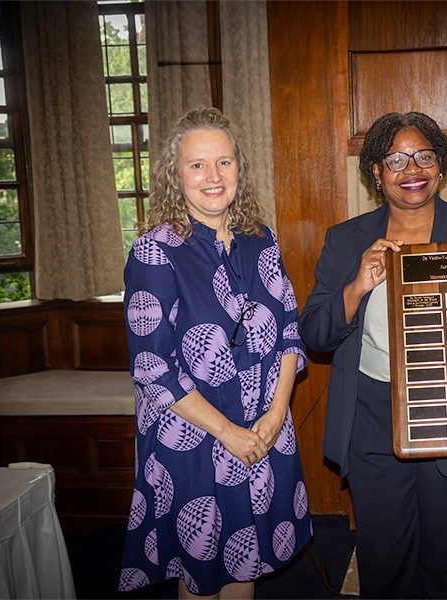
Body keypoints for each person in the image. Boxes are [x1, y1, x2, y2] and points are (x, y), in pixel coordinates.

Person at [299, 111, 447, 598]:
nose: (412, 169)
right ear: (376, 171)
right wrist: (357, 286)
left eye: (424, 157)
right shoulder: (346, 239)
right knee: (383, 558)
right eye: (396, 160)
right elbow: (314, 334)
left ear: (440, 166)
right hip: (373, 414)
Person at [118, 107, 311, 599]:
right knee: (202, 575)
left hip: (263, 428)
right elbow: (154, 370)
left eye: (224, 163)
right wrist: (229, 434)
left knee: (244, 563)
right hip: (195, 438)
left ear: (238, 171)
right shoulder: (154, 252)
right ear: (175, 175)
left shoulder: (260, 239)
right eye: (197, 165)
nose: (213, 176)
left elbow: (289, 331)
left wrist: (275, 414)